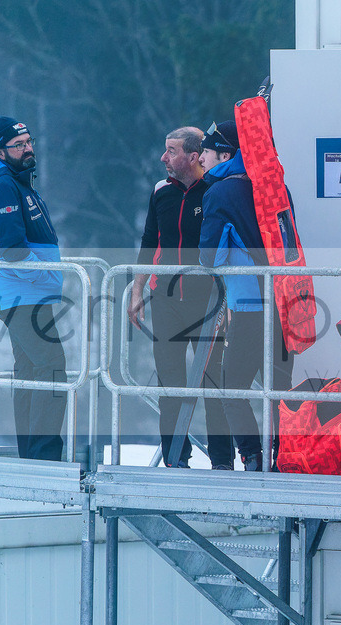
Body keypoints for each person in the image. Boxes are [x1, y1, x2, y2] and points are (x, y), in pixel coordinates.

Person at [128, 127, 234, 469]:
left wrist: (229, 301)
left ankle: (222, 462)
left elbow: (232, 247)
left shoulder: (217, 191)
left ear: (193, 156)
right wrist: (137, 289)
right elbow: (149, 242)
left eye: (171, 151)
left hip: (209, 302)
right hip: (168, 300)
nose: (163, 158)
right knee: (169, 383)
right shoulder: (161, 192)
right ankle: (176, 460)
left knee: (215, 383)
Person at [0, 117, 67, 461]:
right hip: (21, 292)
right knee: (52, 366)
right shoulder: (3, 186)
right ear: (0, 151)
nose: (28, 148)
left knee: (30, 370)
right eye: (19, 145)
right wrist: (45, 276)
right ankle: (44, 456)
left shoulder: (13, 181)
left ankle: (32, 454)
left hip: (24, 292)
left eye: (28, 141)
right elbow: (10, 249)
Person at [198, 120, 294, 472]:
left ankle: (253, 457)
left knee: (232, 389)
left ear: (226, 154)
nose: (201, 160)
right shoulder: (275, 186)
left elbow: (209, 258)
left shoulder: (219, 193)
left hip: (249, 308)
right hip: (287, 303)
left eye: (205, 153)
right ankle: (285, 458)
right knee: (279, 391)